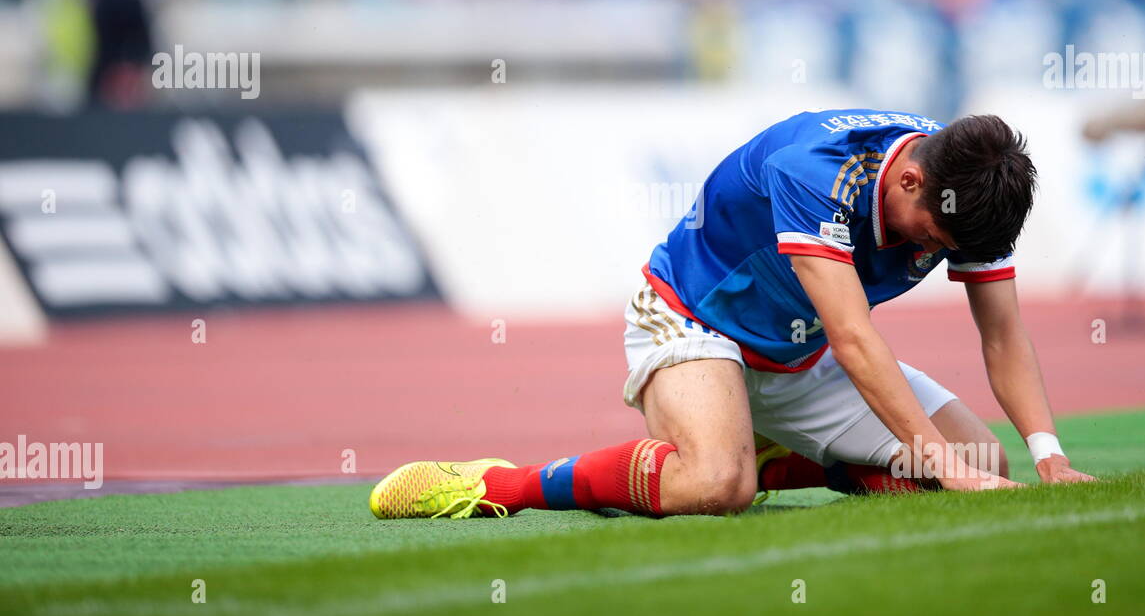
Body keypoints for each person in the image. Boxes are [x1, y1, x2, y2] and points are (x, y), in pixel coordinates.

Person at [370, 109, 1094, 521]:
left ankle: (771, 454)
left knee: (983, 461)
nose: (928, 249)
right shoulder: (817, 173)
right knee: (717, 487)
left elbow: (1001, 331)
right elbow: (854, 336)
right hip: (694, 323)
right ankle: (502, 485)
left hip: (797, 352)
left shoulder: (971, 190)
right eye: (929, 235)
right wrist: (935, 462)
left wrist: (1048, 456)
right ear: (908, 179)